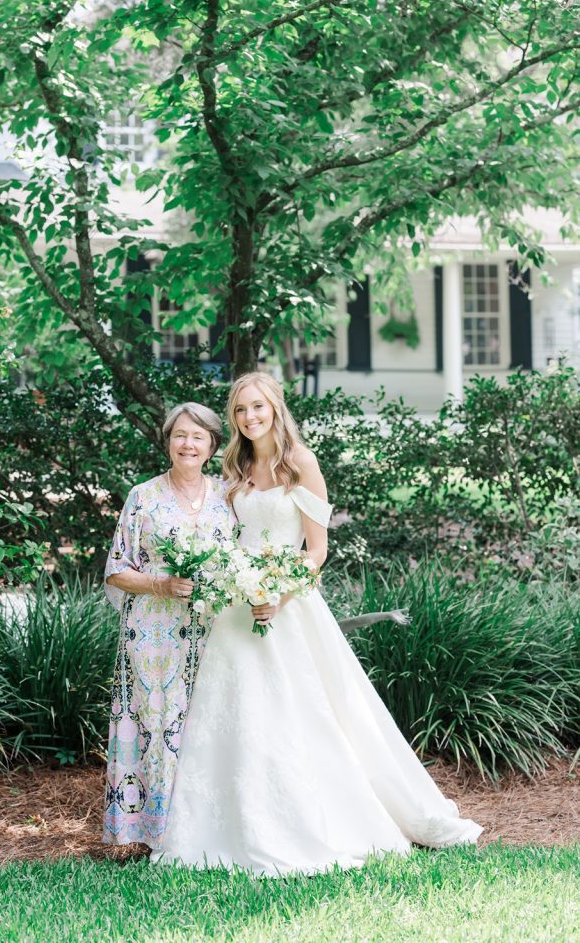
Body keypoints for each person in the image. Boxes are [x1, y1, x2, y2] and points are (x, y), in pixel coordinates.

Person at [153, 373, 483, 875]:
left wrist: (279, 595)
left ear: (275, 407)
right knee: (234, 714)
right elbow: (224, 536)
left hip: (289, 608)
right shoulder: (235, 466)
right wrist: (227, 580)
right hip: (235, 609)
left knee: (306, 713)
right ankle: (222, 827)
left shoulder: (300, 464)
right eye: (240, 410)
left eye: (257, 407)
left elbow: (318, 549)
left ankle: (318, 818)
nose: (249, 417)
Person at [102, 402, 235, 854]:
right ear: (168, 441)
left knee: (208, 721)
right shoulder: (143, 496)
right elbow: (116, 570)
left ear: (213, 445)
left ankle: (207, 829)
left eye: (198, 437)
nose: (188, 444)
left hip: (216, 631)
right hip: (154, 633)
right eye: (180, 435)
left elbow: (242, 561)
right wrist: (161, 583)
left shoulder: (229, 496)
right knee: (157, 723)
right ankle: (151, 832)